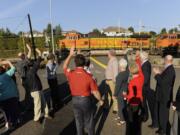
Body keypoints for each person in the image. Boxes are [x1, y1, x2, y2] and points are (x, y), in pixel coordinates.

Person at [63, 46, 103, 135]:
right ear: (84, 63)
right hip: (85, 100)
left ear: (75, 63)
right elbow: (95, 92)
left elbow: (65, 66)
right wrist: (100, 100)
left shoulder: (71, 74)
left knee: (78, 121)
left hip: (74, 100)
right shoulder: (89, 77)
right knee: (89, 121)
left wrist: (70, 55)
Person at [26, 48, 52, 122]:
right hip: (35, 90)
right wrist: (39, 53)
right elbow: (37, 62)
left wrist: (29, 50)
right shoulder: (31, 71)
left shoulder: (28, 71)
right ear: (31, 66)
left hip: (37, 89)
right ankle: (36, 118)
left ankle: (46, 114)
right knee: (38, 105)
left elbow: (29, 60)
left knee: (44, 103)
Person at [153, 55, 176, 135]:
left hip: (165, 96)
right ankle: (161, 128)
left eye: (164, 59)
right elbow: (164, 79)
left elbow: (162, 83)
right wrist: (160, 73)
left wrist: (156, 74)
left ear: (166, 60)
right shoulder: (168, 68)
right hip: (162, 95)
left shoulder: (170, 70)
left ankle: (164, 130)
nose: (164, 61)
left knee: (164, 114)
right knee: (161, 113)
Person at [125, 61, 144, 135]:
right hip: (140, 100)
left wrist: (125, 96)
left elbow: (131, 95)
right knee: (137, 120)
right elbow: (141, 71)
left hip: (133, 103)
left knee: (131, 121)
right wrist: (138, 60)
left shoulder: (132, 82)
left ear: (130, 71)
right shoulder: (141, 78)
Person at [0, 60, 20, 129]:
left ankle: (8, 123)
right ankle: (14, 123)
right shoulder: (6, 75)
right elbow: (13, 69)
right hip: (12, 96)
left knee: (7, 112)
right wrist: (8, 62)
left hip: (2, 98)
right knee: (13, 110)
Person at [140, 51, 155, 124]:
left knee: (144, 103)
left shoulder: (145, 65)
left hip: (144, 88)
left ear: (143, 57)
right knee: (143, 103)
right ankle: (144, 115)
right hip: (145, 87)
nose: (139, 57)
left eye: (140, 56)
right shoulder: (145, 63)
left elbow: (145, 79)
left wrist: (140, 85)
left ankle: (145, 116)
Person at [16, 44, 32, 111]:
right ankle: (27, 106)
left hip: (22, 80)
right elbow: (29, 54)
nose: (24, 55)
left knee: (28, 92)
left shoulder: (18, 63)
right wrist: (29, 48)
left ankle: (28, 105)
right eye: (23, 54)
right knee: (29, 93)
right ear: (22, 56)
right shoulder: (24, 62)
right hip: (26, 79)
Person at [114, 58, 129, 126]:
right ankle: (120, 116)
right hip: (125, 91)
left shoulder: (120, 75)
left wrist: (115, 94)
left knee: (121, 106)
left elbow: (117, 86)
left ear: (120, 66)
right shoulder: (127, 72)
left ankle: (122, 119)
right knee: (123, 105)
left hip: (120, 92)